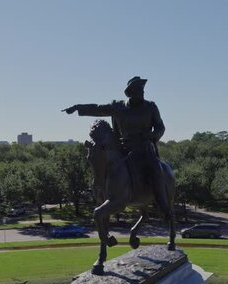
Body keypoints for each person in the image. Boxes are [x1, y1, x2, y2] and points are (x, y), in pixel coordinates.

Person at [62, 76, 170, 216]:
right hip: (124, 149)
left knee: (157, 170)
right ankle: (102, 192)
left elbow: (160, 128)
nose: (142, 94)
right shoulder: (118, 107)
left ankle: (163, 205)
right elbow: (98, 109)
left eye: (143, 91)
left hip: (145, 149)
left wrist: (151, 136)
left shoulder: (151, 107)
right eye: (139, 91)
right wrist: (78, 108)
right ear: (131, 92)